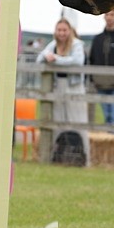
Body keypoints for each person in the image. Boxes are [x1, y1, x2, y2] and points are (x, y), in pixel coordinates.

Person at [36, 18, 88, 164]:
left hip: (74, 86)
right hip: (57, 85)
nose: (62, 33)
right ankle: (58, 156)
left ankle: (82, 157)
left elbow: (78, 61)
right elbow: (40, 58)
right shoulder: (53, 45)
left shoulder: (77, 44)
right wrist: (47, 57)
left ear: (70, 31)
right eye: (59, 30)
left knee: (77, 121)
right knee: (57, 121)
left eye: (65, 30)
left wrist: (56, 59)